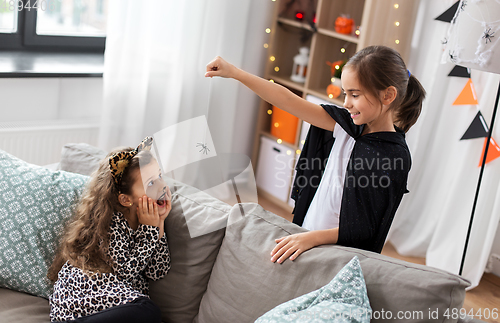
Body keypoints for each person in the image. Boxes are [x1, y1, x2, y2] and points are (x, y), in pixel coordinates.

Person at [205, 45, 425, 263]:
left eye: (355, 95)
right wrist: (234, 73)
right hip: (308, 232)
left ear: (388, 95)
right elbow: (287, 100)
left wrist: (311, 239)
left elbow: (365, 227)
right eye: (346, 93)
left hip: (339, 257)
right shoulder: (346, 126)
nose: (346, 103)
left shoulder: (393, 156)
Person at [47, 137, 172, 323]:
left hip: (115, 305)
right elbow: (127, 271)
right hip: (83, 298)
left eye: (160, 176)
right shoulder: (112, 223)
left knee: (150, 315)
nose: (162, 187)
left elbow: (157, 271)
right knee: (147, 309)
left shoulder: (150, 226)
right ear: (125, 199)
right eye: (151, 183)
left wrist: (159, 224)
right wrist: (150, 230)